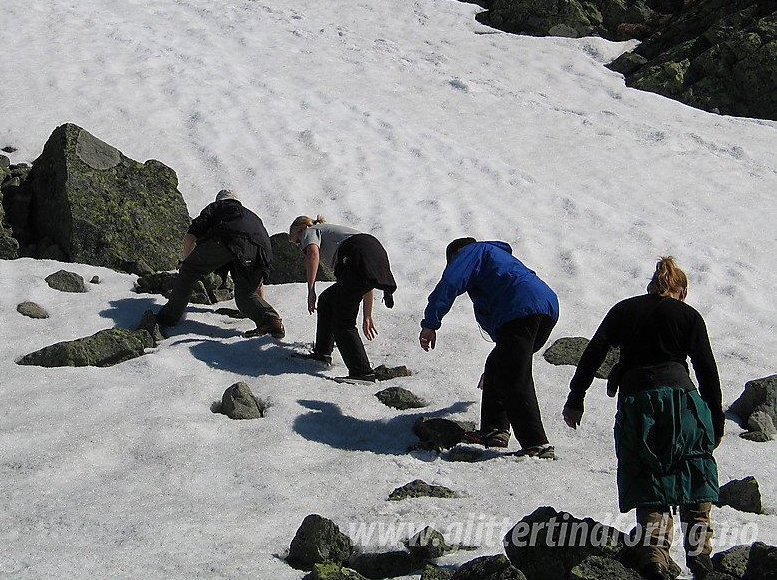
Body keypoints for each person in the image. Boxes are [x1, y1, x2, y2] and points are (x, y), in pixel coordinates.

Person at [562, 257, 723, 580]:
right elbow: (706, 370)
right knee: (693, 474)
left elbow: (595, 351)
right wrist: (715, 421)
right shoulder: (687, 315)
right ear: (682, 290)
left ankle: (654, 560)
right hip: (683, 402)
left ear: (652, 285)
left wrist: (576, 398)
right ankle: (701, 559)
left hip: (638, 405)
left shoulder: (624, 310)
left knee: (648, 476)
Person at [419, 237, 559, 458]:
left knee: (513, 376)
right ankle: (494, 430)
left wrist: (430, 324)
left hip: (520, 307)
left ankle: (537, 444)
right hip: (544, 307)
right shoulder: (495, 258)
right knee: (498, 366)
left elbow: (450, 282)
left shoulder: (471, 251)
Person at [154, 190, 284, 339]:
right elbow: (257, 282)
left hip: (231, 238)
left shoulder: (218, 207)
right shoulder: (250, 215)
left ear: (220, 200)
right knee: (245, 296)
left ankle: (169, 317)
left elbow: (191, 235)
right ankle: (271, 320)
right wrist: (257, 299)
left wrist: (186, 262)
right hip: (262, 251)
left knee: (189, 270)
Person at [288, 215, 396, 382]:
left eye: (297, 241)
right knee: (328, 300)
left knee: (343, 320)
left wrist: (311, 289)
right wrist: (367, 315)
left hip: (357, 255)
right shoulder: (335, 235)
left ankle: (361, 372)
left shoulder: (310, 231)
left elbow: (312, 253)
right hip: (373, 252)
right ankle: (322, 353)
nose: (299, 246)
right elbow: (366, 280)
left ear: (302, 229)